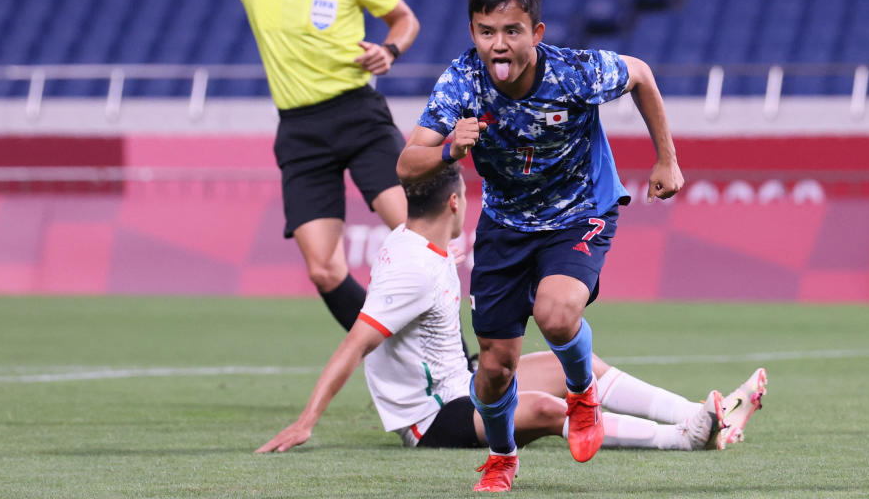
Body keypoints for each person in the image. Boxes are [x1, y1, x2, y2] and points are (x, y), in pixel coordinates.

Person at [39, 0, 418, 331]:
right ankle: (398, 353)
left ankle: (457, 361)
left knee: (411, 233)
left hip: (358, 115)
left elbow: (404, 19)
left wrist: (390, 49)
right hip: (301, 132)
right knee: (323, 269)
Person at [395, 0, 687, 491]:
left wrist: (666, 159)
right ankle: (503, 457)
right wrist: (448, 149)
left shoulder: (576, 72)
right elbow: (406, 164)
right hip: (506, 226)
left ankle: (582, 394)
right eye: (487, 32)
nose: (499, 45)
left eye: (512, 31)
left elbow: (640, 74)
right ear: (472, 34)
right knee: (495, 368)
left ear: (537, 33)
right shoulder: (461, 82)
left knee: (556, 314)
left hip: (580, 211)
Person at [255, 165, 767, 459]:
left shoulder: (406, 239)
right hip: (434, 417)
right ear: (455, 202)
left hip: (459, 377)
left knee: (585, 367)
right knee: (547, 410)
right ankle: (684, 439)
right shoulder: (416, 267)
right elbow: (356, 342)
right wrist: (306, 422)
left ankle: (699, 414)